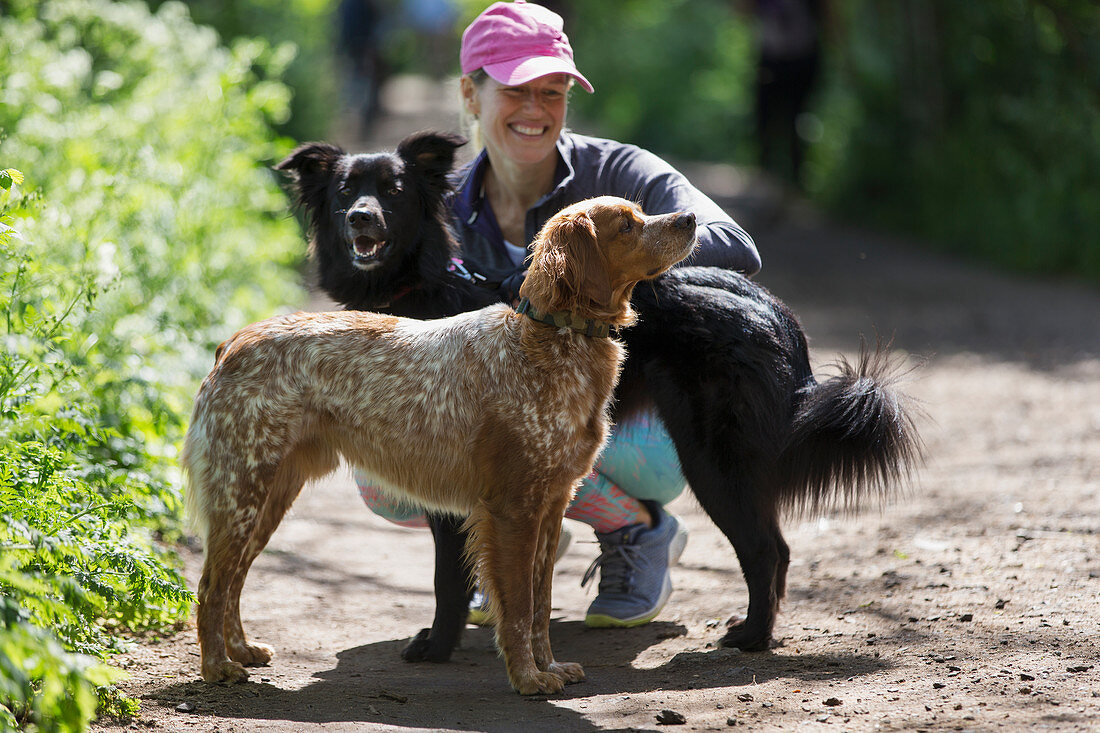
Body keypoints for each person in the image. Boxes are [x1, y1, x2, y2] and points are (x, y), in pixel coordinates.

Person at [356, 0, 761, 629]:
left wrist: (615, 266)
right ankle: (510, 550)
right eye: (516, 90)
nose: (536, 109)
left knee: (618, 454)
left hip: (623, 414)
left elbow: (735, 245)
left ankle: (638, 529)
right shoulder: (441, 210)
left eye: (553, 91)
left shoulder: (619, 173)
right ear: (470, 92)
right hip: (490, 417)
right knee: (383, 471)